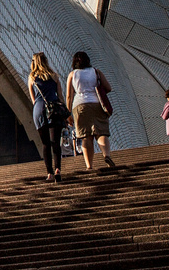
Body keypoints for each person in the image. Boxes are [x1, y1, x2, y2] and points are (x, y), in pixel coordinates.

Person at [65, 51, 114, 171]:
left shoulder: (73, 74)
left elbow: (69, 96)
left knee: (86, 136)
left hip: (80, 106)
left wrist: (68, 113)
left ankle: (89, 166)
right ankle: (106, 155)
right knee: (101, 132)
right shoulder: (96, 71)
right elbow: (108, 87)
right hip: (96, 103)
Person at [28, 52, 66, 182]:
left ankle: (49, 173)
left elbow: (33, 99)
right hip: (54, 109)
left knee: (45, 144)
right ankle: (58, 169)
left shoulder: (32, 77)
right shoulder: (54, 76)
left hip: (39, 110)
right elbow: (60, 96)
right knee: (55, 142)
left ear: (34, 62)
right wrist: (65, 113)